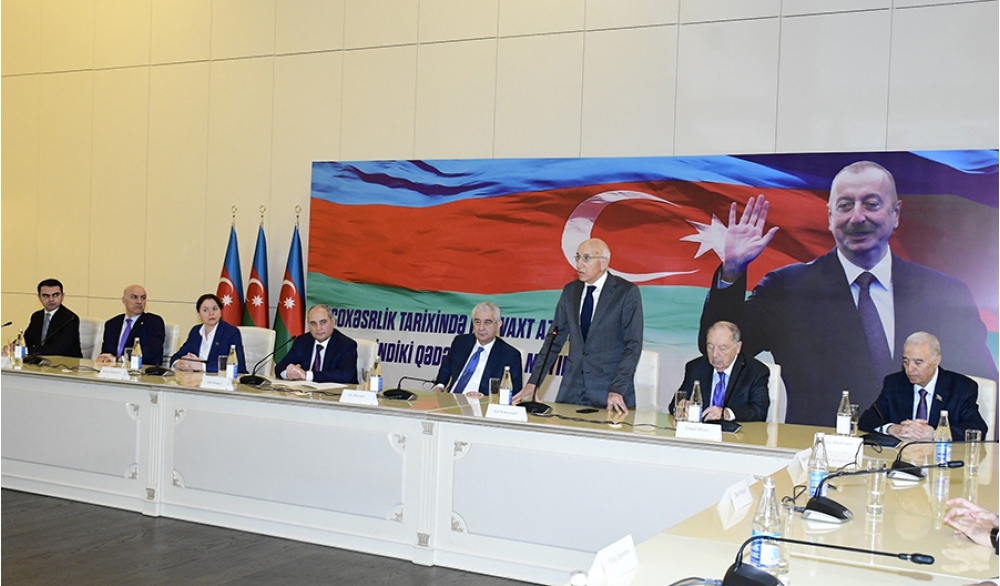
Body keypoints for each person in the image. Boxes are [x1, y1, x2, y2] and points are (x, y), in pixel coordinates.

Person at [700, 161, 998, 426]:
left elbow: (984, 390)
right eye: (844, 206)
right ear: (830, 217)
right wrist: (732, 272)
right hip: (822, 453)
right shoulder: (787, 288)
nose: (857, 217)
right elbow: (722, 350)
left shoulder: (945, 294)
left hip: (918, 458)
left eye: (871, 204)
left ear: (896, 213)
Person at [512, 238, 643, 413]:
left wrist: (617, 388)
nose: (579, 264)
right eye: (578, 257)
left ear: (603, 263)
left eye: (586, 258)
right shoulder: (570, 291)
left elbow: (633, 345)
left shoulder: (626, 292)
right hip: (571, 390)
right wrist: (534, 381)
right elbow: (554, 339)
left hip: (609, 391)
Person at [858, 332, 987, 441]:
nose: (909, 369)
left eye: (918, 362)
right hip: (902, 456)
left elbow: (977, 429)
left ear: (936, 361)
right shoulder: (895, 383)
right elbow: (867, 420)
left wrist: (935, 434)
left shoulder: (961, 388)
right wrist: (892, 429)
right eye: (906, 361)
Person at [671, 321, 770, 422]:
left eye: (722, 348)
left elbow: (760, 410)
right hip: (701, 430)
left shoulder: (756, 371)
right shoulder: (696, 367)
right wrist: (681, 408)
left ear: (737, 348)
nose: (715, 354)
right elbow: (674, 404)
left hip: (737, 431)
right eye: (710, 347)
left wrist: (726, 414)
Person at [433, 302, 523, 397]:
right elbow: (446, 368)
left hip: (482, 402)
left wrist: (484, 398)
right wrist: (439, 386)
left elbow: (514, 392)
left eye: (487, 322)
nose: (481, 328)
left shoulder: (510, 355)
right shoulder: (460, 342)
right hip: (451, 399)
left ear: (498, 325)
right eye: (477, 322)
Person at [275, 304, 358, 383]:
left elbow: (345, 375)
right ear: (308, 325)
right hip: (305, 391)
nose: (318, 328)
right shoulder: (302, 341)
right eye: (313, 323)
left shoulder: (346, 345)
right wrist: (288, 374)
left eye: (323, 322)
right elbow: (279, 367)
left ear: (333, 322)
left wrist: (308, 376)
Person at [171, 294, 246, 373]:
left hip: (220, 380)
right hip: (196, 379)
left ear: (221, 311)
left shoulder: (231, 332)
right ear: (199, 314)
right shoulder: (195, 331)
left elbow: (239, 366)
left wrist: (202, 366)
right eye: (205, 310)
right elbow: (176, 356)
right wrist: (178, 364)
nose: (211, 313)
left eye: (215, 309)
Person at [96, 285, 166, 366]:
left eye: (143, 298)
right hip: (112, 370)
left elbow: (151, 352)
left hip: (139, 370)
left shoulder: (154, 322)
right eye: (134, 297)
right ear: (123, 300)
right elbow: (106, 353)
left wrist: (119, 359)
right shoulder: (112, 324)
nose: (139, 301)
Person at [23, 278, 82, 358]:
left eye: (55, 295)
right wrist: (15, 346)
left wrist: (25, 350)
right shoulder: (36, 316)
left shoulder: (70, 319)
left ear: (63, 296)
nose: (51, 299)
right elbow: (27, 339)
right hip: (40, 361)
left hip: (66, 363)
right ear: (39, 297)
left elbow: (59, 349)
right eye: (46, 296)